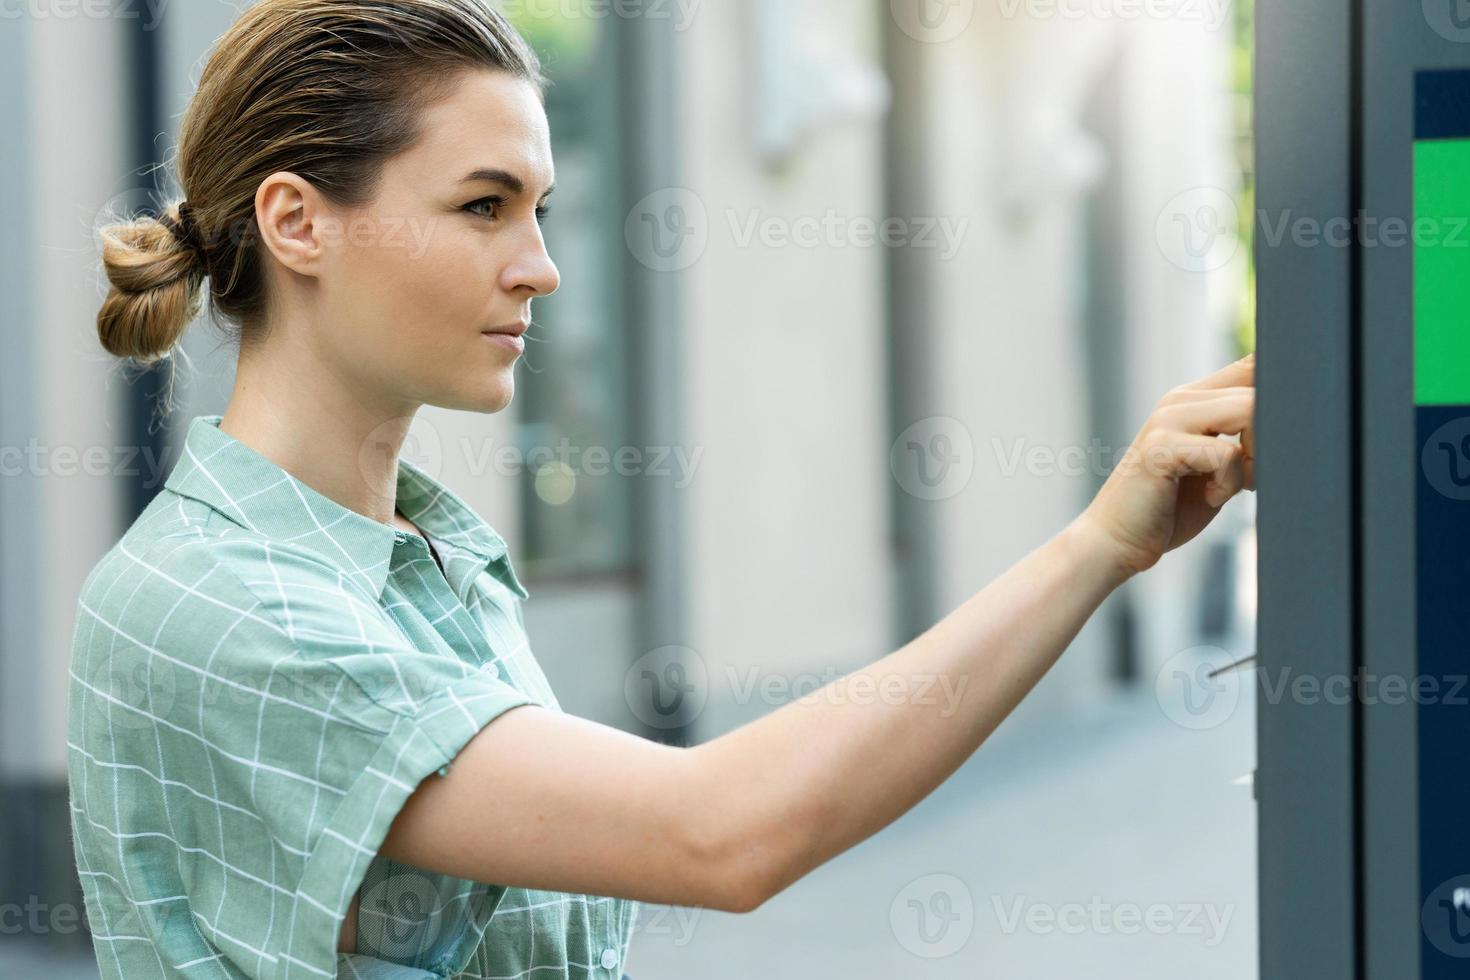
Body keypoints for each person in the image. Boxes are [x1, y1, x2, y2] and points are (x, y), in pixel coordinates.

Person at [73, 1, 1257, 978]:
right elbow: (720, 831)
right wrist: (1099, 543)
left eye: (541, 209)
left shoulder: (429, 559)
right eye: (482, 205)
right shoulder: (225, 605)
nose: (537, 266)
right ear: (297, 222)